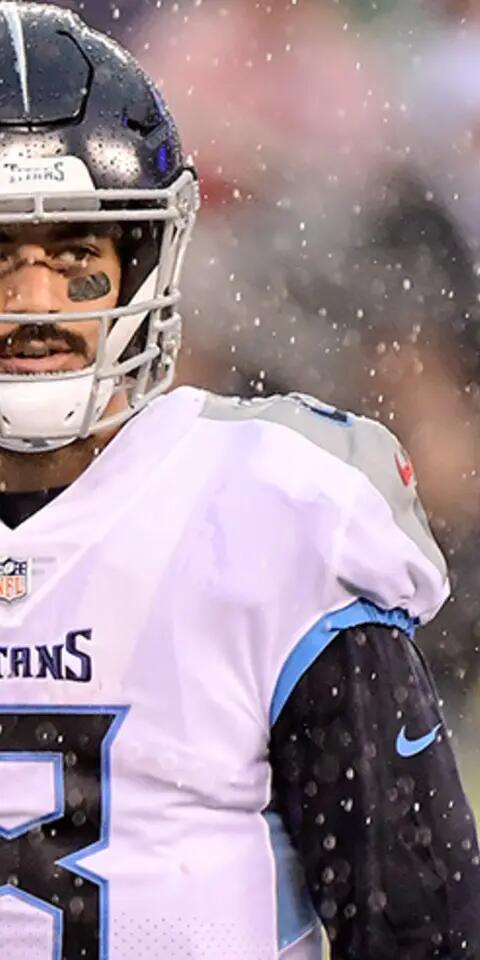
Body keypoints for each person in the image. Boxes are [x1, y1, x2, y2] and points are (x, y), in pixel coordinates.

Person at [0, 4, 476, 960]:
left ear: (142, 268)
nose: (36, 305)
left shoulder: (270, 513)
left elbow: (419, 926)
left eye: (77, 258)